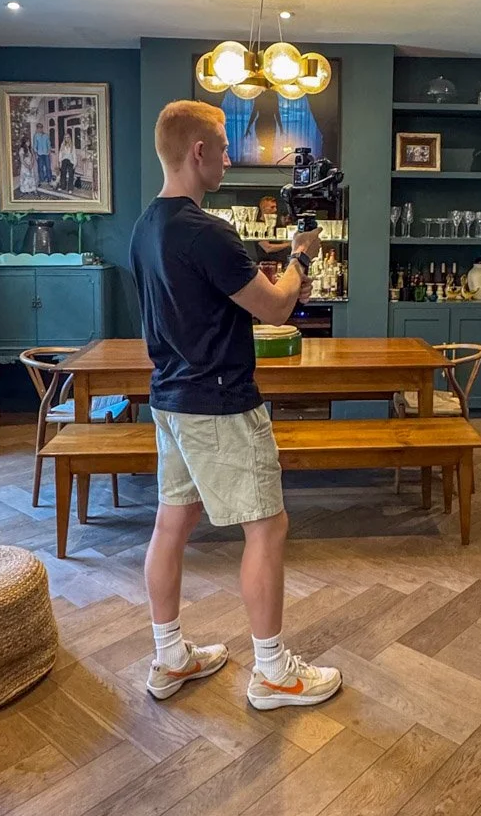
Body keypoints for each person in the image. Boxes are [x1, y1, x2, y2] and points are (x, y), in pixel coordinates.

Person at [129, 100, 342, 709]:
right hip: (219, 401)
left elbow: (201, 297)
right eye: (222, 148)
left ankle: (168, 656)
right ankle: (273, 671)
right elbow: (275, 309)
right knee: (267, 527)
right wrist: (301, 257)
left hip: (170, 397)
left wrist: (268, 270)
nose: (228, 157)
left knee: (172, 521)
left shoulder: (148, 226)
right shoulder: (207, 230)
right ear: (198, 151)